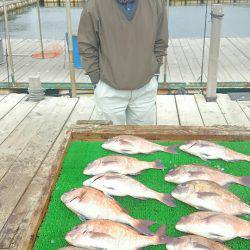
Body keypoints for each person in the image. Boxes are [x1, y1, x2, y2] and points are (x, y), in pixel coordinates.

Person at [78, 0, 168, 125]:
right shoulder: (94, 5)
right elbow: (86, 45)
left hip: (145, 88)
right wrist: (96, 79)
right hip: (108, 88)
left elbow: (161, 41)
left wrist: (154, 71)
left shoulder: (156, 4)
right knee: (110, 140)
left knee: (142, 140)